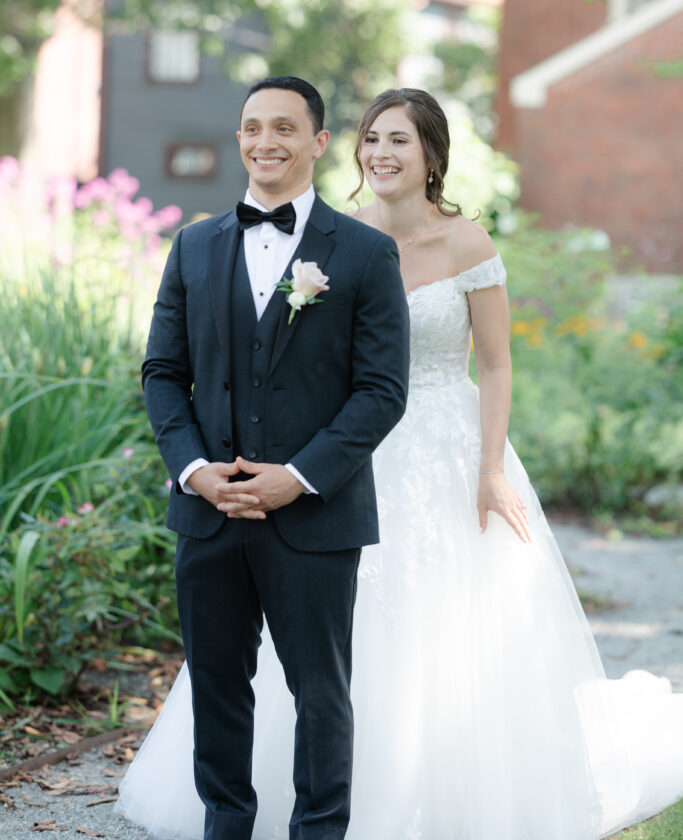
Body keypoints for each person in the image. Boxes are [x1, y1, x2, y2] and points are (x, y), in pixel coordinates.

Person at [117, 88, 683, 840]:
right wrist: (229, 465)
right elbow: (247, 367)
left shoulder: (459, 244)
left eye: (400, 142)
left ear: (430, 156)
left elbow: (493, 364)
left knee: (400, 643)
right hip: (320, 459)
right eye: (372, 139)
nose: (381, 154)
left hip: (426, 449)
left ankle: (408, 799)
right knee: (283, 659)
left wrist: (487, 468)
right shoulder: (317, 239)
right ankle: (245, 809)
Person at [133, 75, 410, 840]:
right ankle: (226, 823)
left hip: (315, 517)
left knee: (321, 692)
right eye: (252, 127)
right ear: (238, 139)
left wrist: (300, 476)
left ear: (318, 143)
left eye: (284, 128)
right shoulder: (193, 246)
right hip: (208, 512)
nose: (265, 142)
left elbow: (382, 392)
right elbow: (162, 372)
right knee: (218, 687)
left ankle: (319, 830)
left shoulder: (364, 254)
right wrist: (194, 471)